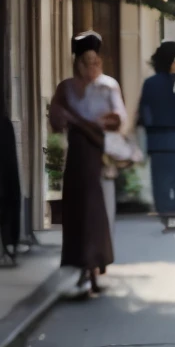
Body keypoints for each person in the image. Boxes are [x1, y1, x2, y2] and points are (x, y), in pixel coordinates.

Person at [48, 31, 125, 296]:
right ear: (77, 62)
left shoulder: (108, 86)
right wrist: (70, 120)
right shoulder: (67, 87)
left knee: (97, 212)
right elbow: (56, 120)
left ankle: (94, 264)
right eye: (85, 62)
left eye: (95, 61)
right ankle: (82, 265)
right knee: (77, 211)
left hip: (99, 156)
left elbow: (118, 120)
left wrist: (85, 123)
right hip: (77, 158)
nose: (90, 67)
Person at [136, 41, 175, 218]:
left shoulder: (150, 83)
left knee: (160, 184)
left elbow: (144, 113)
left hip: (157, 141)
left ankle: (165, 214)